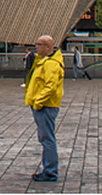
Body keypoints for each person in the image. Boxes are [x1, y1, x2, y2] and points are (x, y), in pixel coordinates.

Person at [23, 34, 64, 182]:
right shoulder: (44, 61)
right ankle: (49, 169)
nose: (36, 47)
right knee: (46, 137)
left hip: (45, 106)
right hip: (43, 105)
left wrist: (38, 102)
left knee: (47, 139)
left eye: (39, 44)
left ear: (48, 47)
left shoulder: (51, 64)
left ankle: (50, 171)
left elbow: (50, 87)